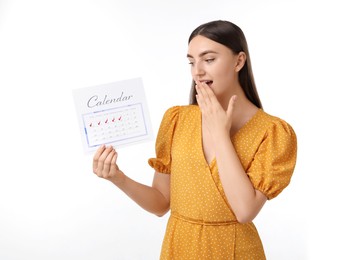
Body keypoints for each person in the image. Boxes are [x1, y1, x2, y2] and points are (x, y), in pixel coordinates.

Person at [93, 20, 297, 260]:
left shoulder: (272, 132)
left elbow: (244, 211)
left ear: (239, 61)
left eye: (208, 59)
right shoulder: (177, 119)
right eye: (191, 61)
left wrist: (221, 134)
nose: (196, 71)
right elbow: (161, 204)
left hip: (235, 251)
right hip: (179, 247)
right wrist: (118, 177)